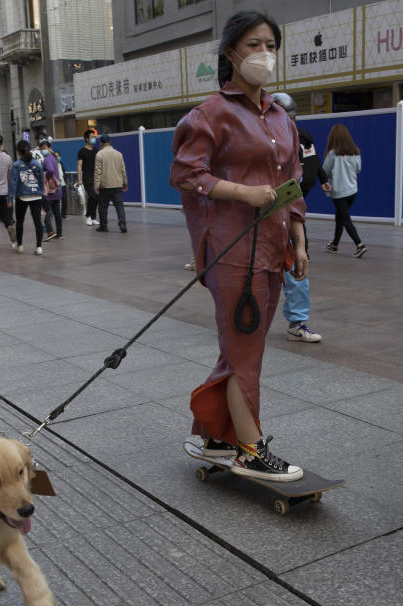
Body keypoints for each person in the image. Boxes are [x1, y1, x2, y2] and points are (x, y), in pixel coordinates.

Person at [170, 10, 306, 481]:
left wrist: (300, 240)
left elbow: (293, 180)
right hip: (231, 251)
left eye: (271, 44)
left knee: (239, 349)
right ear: (230, 53)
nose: (264, 54)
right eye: (253, 45)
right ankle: (250, 447)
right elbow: (186, 173)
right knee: (245, 350)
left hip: (272, 248)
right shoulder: (211, 113)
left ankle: (212, 432)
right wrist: (243, 192)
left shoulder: (280, 118)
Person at [271, 92, 328, 343]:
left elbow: (296, 195)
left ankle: (297, 322)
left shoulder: (300, 142)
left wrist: (301, 245)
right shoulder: (256, 144)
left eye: (291, 119)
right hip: (255, 221)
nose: (289, 125)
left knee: (297, 268)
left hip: (289, 216)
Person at [323, 123, 367, 258]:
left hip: (339, 192)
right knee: (340, 217)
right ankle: (334, 245)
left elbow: (324, 171)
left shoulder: (332, 154)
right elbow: (358, 169)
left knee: (345, 219)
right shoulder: (356, 152)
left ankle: (359, 245)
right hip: (352, 191)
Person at [8, 139, 45, 255]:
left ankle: (20, 245)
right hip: (36, 196)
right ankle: (39, 247)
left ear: (18, 152)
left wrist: (10, 198)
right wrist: (41, 192)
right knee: (37, 222)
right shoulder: (37, 164)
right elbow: (41, 181)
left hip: (22, 196)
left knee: (20, 221)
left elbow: (13, 183)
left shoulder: (16, 165)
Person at [93, 134, 129, 233]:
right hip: (117, 184)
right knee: (119, 205)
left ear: (100, 143)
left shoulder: (99, 154)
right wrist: (125, 183)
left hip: (105, 185)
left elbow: (97, 171)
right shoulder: (118, 154)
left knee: (103, 206)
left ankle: (104, 226)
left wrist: (96, 185)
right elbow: (123, 170)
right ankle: (122, 223)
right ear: (110, 142)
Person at [76, 128, 100, 225]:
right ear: (86, 139)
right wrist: (79, 179)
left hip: (96, 177)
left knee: (96, 197)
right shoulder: (81, 151)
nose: (94, 139)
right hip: (87, 177)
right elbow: (79, 166)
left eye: (94, 137)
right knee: (92, 196)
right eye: (92, 137)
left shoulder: (96, 151)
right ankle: (88, 216)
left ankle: (93, 217)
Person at [41, 140, 62, 239]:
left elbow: (50, 170)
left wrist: (46, 177)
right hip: (57, 189)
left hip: (50, 191)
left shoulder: (47, 159)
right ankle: (60, 233)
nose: (43, 151)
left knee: (44, 210)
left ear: (49, 148)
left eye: (44, 148)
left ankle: (50, 231)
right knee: (57, 213)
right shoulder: (53, 158)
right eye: (42, 149)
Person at [54, 149, 68, 219]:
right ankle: (56, 214)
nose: (58, 157)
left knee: (64, 199)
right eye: (56, 156)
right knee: (57, 200)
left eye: (58, 156)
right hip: (56, 184)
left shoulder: (61, 164)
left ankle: (63, 214)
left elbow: (63, 173)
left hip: (63, 183)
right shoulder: (53, 165)